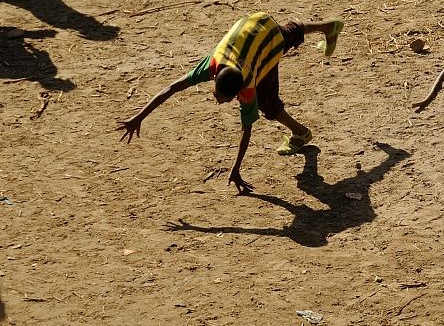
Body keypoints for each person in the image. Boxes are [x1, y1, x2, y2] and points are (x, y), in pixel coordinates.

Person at [117, 12, 344, 193]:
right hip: (257, 24)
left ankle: (301, 133)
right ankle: (328, 27)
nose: (217, 101)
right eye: (217, 95)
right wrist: (139, 117)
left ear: (238, 94)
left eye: (223, 99)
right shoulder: (212, 65)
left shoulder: (247, 87)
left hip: (263, 37)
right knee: (288, 33)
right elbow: (171, 88)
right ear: (214, 78)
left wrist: (235, 169)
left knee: (267, 102)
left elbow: (247, 130)